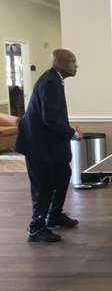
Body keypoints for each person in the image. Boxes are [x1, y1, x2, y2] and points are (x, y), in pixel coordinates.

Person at [15, 49, 80, 242]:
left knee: (63, 175)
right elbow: (50, 119)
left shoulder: (54, 79)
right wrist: (72, 133)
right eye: (72, 61)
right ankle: (36, 228)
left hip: (48, 143)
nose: (76, 65)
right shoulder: (51, 82)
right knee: (43, 185)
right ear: (60, 62)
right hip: (37, 144)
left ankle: (54, 215)